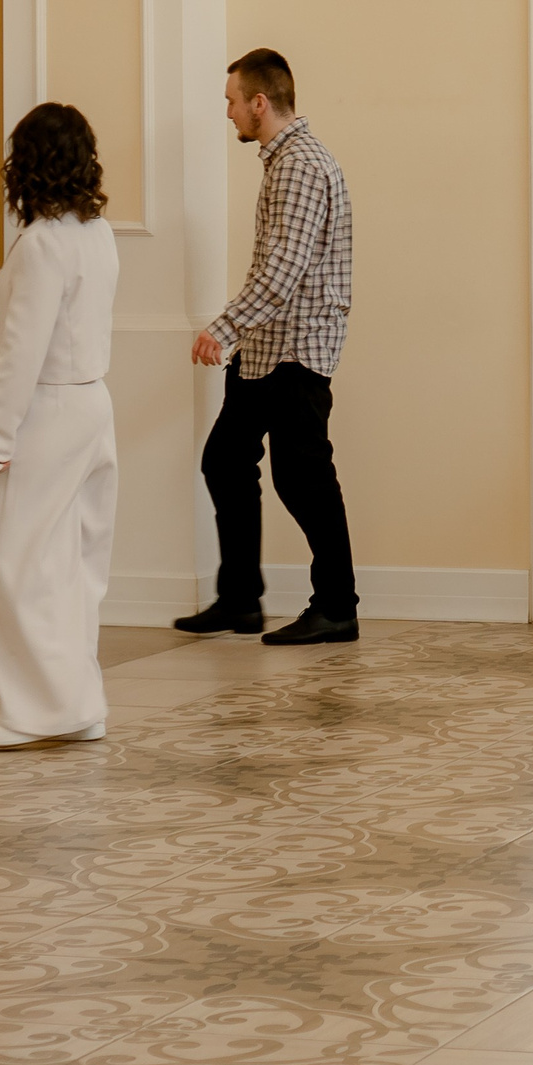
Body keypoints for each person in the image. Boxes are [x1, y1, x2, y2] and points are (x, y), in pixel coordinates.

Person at [179, 49, 360, 645]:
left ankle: (337, 607)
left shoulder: (299, 164)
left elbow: (282, 270)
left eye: (232, 101)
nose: (228, 112)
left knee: (303, 478)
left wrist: (222, 328)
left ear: (260, 102)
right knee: (226, 461)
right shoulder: (283, 161)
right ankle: (240, 601)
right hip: (266, 349)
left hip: (295, 350)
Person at [0, 104, 120, 749]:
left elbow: (21, 353)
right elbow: (65, 311)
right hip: (91, 408)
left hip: (45, 415)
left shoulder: (44, 240)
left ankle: (39, 711)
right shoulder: (93, 232)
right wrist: (4, 281)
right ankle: (80, 703)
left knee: (12, 563)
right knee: (74, 565)